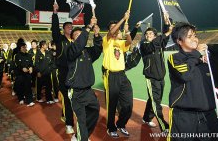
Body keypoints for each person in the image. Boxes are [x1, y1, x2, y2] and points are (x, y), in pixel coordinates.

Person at [167, 22, 218, 140]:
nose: (195, 39)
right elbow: (185, 75)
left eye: (195, 36)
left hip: (209, 115)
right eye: (189, 36)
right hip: (185, 117)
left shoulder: (205, 60)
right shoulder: (175, 58)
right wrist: (197, 55)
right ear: (179, 41)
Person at [66, 16, 102, 141]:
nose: (79, 36)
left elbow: (98, 50)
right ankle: (82, 138)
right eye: (76, 35)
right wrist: (88, 27)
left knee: (94, 112)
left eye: (80, 34)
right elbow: (79, 44)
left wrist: (97, 35)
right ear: (72, 39)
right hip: (76, 92)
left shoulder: (87, 52)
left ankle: (79, 136)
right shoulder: (70, 50)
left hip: (88, 91)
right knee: (81, 120)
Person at [137, 12, 173, 132]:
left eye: (151, 33)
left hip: (161, 78)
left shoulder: (159, 45)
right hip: (151, 78)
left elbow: (164, 37)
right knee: (156, 102)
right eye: (146, 34)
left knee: (154, 100)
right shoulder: (144, 45)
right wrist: (166, 33)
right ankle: (164, 125)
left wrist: (167, 22)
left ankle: (146, 118)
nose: (148, 35)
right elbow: (157, 41)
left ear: (155, 35)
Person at [102, 10, 133, 138]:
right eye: (113, 28)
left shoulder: (120, 43)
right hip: (111, 76)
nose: (115, 30)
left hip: (122, 75)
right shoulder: (106, 41)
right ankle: (111, 127)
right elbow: (112, 32)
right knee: (112, 104)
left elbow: (129, 42)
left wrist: (127, 31)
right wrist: (123, 18)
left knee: (128, 104)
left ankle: (121, 124)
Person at [52, 2, 75, 135]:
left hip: (74, 72)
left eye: (71, 26)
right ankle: (69, 124)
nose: (70, 28)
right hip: (63, 72)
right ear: (63, 29)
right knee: (67, 97)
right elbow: (54, 29)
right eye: (68, 26)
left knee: (71, 98)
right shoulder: (59, 39)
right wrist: (55, 13)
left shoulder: (74, 41)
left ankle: (64, 114)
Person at [13, 42, 35, 107]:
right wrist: (22, 68)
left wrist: (31, 67)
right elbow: (17, 64)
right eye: (23, 47)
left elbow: (31, 63)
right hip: (20, 74)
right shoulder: (17, 56)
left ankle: (30, 101)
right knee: (20, 87)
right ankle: (21, 98)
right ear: (20, 48)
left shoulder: (28, 55)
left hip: (27, 74)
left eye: (25, 47)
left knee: (28, 87)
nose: (25, 48)